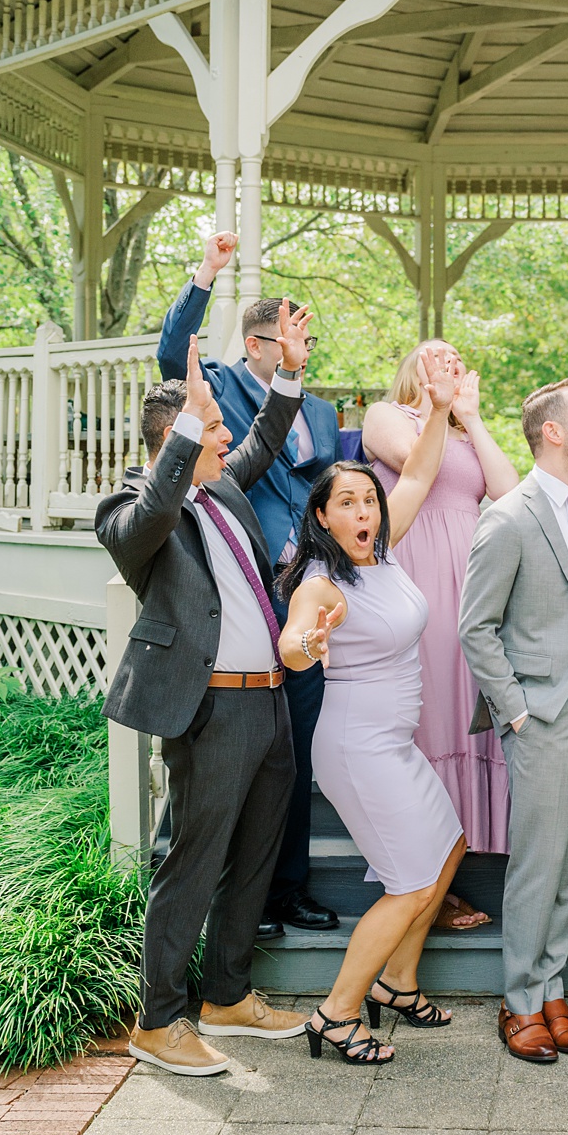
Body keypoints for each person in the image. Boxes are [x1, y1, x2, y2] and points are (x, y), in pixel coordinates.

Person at [100, 310, 317, 1077]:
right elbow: (154, 514)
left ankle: (226, 996)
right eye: (210, 428)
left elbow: (264, 438)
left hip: (267, 701)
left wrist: (288, 370)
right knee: (192, 864)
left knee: (253, 856)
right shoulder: (130, 510)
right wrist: (193, 424)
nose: (227, 438)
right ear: (175, 438)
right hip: (211, 709)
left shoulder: (223, 491)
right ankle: (158, 1021)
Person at [156, 231, 344, 939]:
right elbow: (174, 351)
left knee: (288, 751)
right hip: (239, 587)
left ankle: (284, 890)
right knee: (231, 757)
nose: (303, 352)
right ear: (260, 344)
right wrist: (206, 272)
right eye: (293, 340)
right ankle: (226, 894)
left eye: (309, 343)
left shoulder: (320, 411)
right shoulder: (221, 389)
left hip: (303, 592)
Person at [274, 356, 460, 1066]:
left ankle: (397, 984)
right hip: (357, 747)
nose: (363, 510)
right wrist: (303, 645)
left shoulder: (382, 551)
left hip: (393, 741)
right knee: (410, 883)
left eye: (367, 501)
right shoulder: (323, 582)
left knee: (448, 849)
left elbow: (415, 475)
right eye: (346, 503)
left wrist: (439, 409)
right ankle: (336, 1013)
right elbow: (294, 643)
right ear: (322, 517)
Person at [456, 379, 568, 1065]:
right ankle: (519, 1002)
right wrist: (517, 711)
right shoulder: (509, 516)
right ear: (552, 431)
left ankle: (552, 989)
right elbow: (476, 627)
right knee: (536, 865)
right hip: (543, 714)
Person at [361, 342, 520, 932]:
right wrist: (436, 406)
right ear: (413, 369)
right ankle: (420, 878)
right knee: (428, 716)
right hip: (417, 571)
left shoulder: (463, 432)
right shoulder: (388, 417)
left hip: (473, 581)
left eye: (457, 355)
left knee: (466, 710)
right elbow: (411, 462)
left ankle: (447, 872)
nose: (450, 360)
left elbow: (509, 494)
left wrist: (472, 418)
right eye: (436, 355)